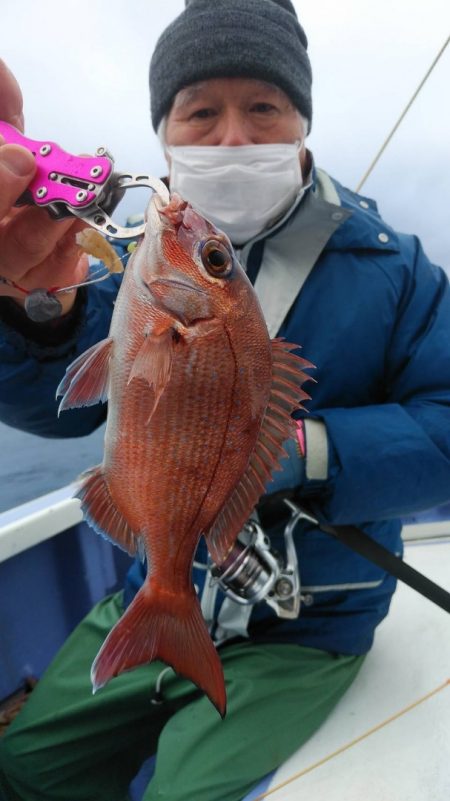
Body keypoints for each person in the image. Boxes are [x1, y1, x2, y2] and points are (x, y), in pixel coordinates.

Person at [1, 1, 450, 799]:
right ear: (164, 133)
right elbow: (60, 401)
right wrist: (41, 316)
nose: (233, 138)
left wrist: (307, 450)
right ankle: (162, 614)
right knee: (25, 764)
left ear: (303, 121)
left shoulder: (398, 270)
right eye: (201, 111)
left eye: (264, 107)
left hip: (310, 622)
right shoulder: (129, 256)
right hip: (154, 580)